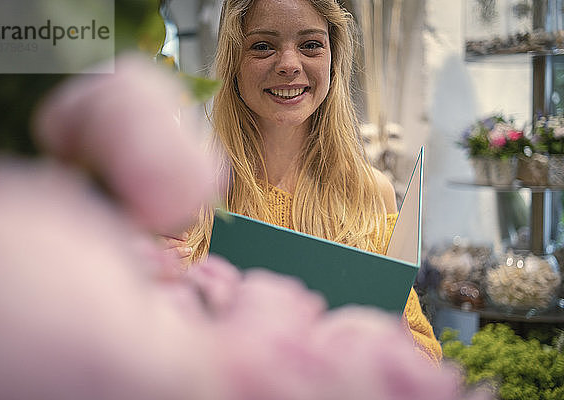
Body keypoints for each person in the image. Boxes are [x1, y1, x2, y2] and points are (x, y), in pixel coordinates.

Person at [162, 0, 442, 364]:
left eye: (310, 44)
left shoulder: (370, 193)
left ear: (333, 56)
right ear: (233, 60)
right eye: (263, 46)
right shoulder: (187, 192)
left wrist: (397, 343)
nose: (289, 65)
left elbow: (425, 359)